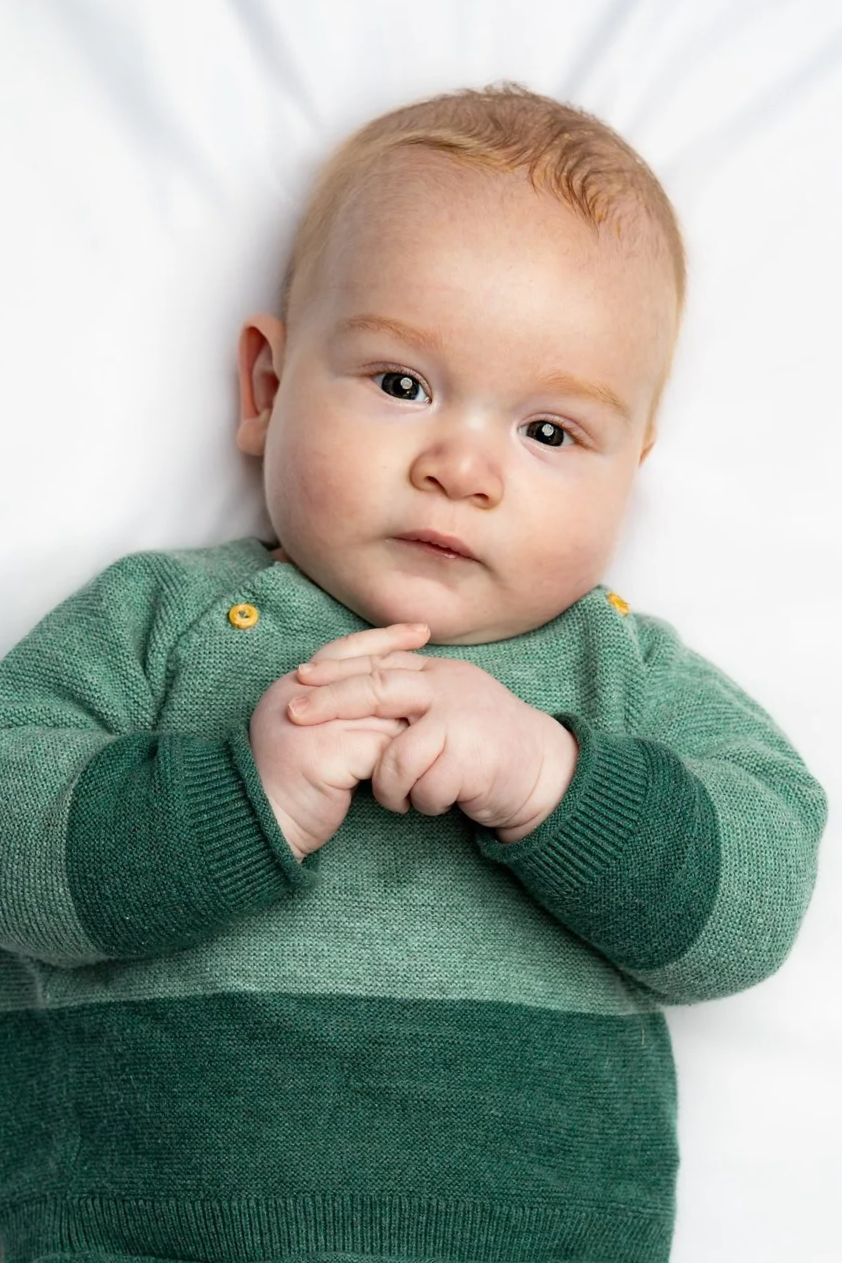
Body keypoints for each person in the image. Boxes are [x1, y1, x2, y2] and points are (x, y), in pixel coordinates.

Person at [0, 83, 827, 1263]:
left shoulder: (620, 673)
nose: (463, 467)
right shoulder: (158, 621)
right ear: (268, 390)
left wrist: (554, 780)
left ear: (629, 473)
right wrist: (242, 801)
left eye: (548, 432)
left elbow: (751, 909)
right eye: (402, 384)